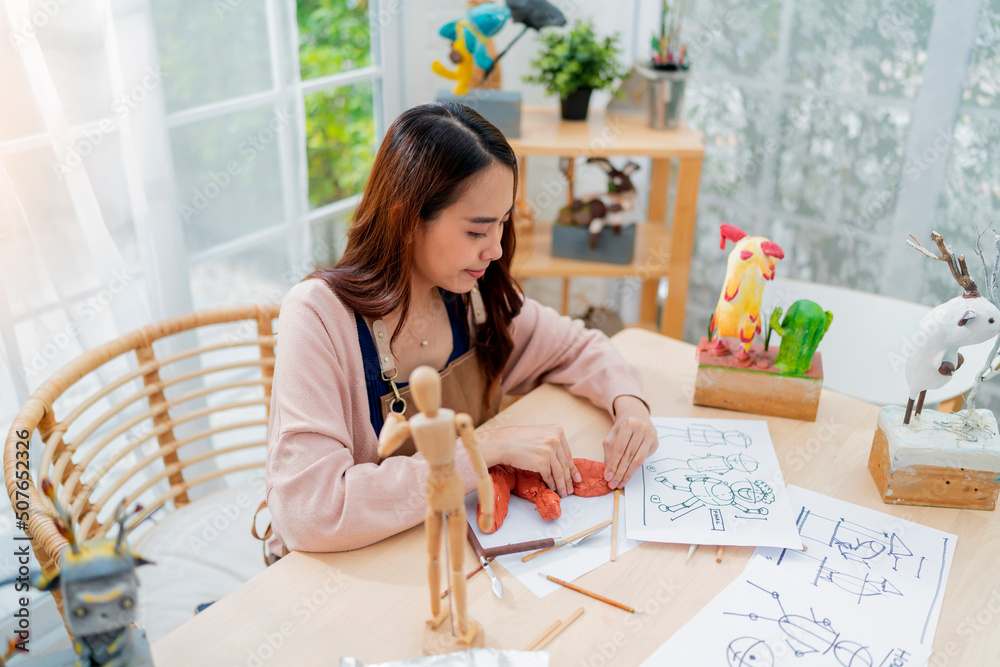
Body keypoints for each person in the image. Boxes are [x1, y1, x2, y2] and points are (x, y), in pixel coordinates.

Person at [264, 101, 658, 557]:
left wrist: (629, 406)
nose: (494, 250)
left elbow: (575, 347)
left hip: (445, 554)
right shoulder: (318, 317)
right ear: (406, 220)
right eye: (476, 231)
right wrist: (481, 449)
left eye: (503, 224)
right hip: (343, 576)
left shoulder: (469, 298)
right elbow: (311, 513)